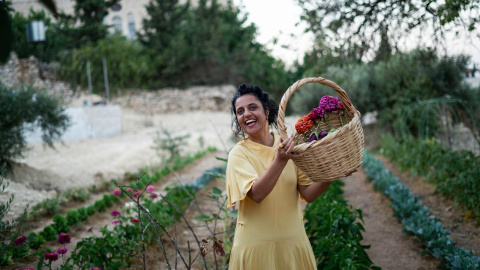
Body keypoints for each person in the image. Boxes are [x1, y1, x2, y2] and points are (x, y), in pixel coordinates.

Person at [226, 84, 334, 270]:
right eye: (240, 111)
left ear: (266, 111)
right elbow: (257, 194)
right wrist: (280, 160)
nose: (246, 114)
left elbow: (307, 193)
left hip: (293, 245)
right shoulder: (238, 154)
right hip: (255, 250)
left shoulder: (287, 143)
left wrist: (332, 175)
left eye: (253, 107)